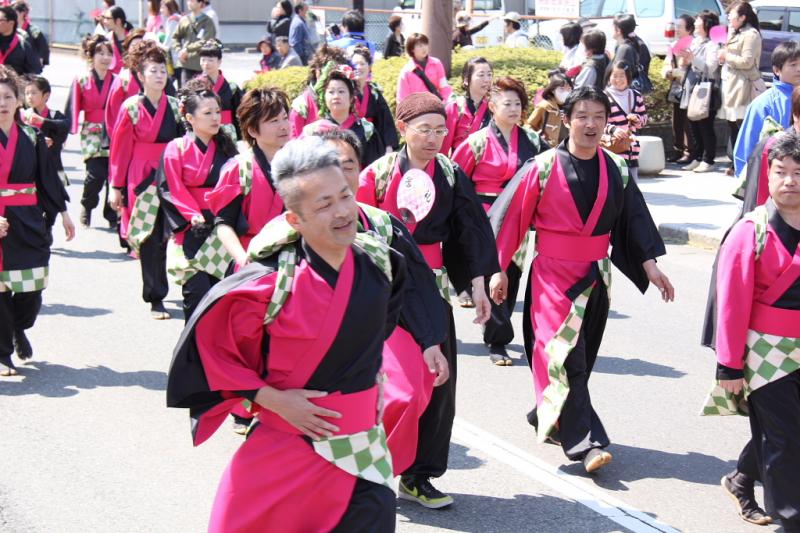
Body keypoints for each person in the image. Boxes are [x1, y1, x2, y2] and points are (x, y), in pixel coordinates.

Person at [167, 136, 404, 531]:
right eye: (324, 205)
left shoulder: (381, 260)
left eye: (345, 195)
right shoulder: (268, 287)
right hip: (288, 446)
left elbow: (381, 325)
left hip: (362, 450)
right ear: (295, 220)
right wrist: (272, 399)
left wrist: (374, 376)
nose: (343, 211)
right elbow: (212, 355)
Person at [489, 86, 673, 472]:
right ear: (567, 120)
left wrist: (650, 266)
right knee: (565, 354)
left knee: (581, 360)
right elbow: (509, 221)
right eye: (582, 116)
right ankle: (585, 443)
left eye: (598, 117)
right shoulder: (541, 168)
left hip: (596, 277)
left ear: (607, 123)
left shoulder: (616, 168)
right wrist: (497, 268)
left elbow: (633, 222)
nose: (590, 124)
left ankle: (549, 413)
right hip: (552, 279)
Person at [358, 92, 498, 508]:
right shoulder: (378, 174)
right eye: (425, 130)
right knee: (390, 385)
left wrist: (476, 283)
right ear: (403, 129)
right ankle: (367, 464)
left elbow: (469, 231)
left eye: (441, 130)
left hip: (433, 289)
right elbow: (358, 233)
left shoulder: (451, 175)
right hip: (385, 289)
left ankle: (419, 476)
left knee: (438, 385)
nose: (435, 138)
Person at [312, 125, 449, 484]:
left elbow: (417, 289)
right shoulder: (300, 224)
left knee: (407, 393)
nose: (341, 175)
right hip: (314, 334)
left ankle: (377, 469)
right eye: (330, 165)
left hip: (379, 329)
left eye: (349, 165)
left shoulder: (382, 225)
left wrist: (430, 341)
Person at [705, 130, 800, 532]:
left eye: (798, 172)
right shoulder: (750, 230)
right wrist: (728, 364)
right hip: (766, 351)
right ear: (767, 172)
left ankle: (742, 478)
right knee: (784, 440)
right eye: (781, 171)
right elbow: (731, 304)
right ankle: (789, 519)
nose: (790, 181)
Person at [452, 76, 546, 365]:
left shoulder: (532, 140)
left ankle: (498, 332)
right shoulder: (476, 143)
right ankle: (497, 340)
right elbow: (456, 181)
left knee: (512, 275)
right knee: (492, 274)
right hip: (485, 220)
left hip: (517, 219)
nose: (514, 109)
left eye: (518, 103)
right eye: (507, 103)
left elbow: (546, 176)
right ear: (492, 106)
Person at [0, 65, 74, 376]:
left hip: (28, 222)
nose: (2, 102)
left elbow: (47, 180)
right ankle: (3, 353)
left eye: (8, 96)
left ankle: (19, 327)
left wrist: (65, 213)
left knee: (31, 290)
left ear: (19, 101)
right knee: (1, 291)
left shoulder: (32, 136)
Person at [108, 45, 184, 319]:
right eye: (153, 71)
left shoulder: (175, 106)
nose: (160, 75)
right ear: (140, 75)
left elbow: (182, 144)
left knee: (172, 234)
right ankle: (155, 297)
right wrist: (116, 186)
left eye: (163, 70)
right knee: (150, 237)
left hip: (170, 174)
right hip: (141, 177)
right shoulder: (131, 107)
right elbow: (120, 149)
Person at [157, 78, 239, 321]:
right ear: (190, 118)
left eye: (217, 111)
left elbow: (236, 184)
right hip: (191, 226)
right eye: (207, 113)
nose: (216, 118)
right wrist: (193, 215)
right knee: (196, 294)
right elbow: (171, 188)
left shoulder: (226, 147)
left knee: (219, 295)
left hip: (222, 224)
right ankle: (190, 352)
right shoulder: (176, 148)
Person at [66, 34, 118, 229]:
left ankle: (111, 213)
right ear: (91, 56)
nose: (105, 57)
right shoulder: (81, 80)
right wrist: (64, 132)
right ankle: (87, 205)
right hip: (92, 132)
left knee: (113, 175)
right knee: (95, 174)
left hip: (113, 131)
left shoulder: (117, 80)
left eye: (109, 53)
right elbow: (72, 107)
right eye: (100, 53)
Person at [733, 41, 800, 177]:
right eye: (793, 65)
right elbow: (746, 147)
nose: (799, 69)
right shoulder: (763, 103)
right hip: (776, 180)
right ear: (777, 70)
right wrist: (746, 183)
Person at [305, 65, 385, 167]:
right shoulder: (314, 131)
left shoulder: (366, 129)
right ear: (324, 97)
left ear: (351, 97)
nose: (336, 96)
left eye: (341, 91)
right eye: (331, 92)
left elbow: (374, 168)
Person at [719, 1, 763, 176]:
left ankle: (742, 163)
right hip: (731, 83)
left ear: (743, 17)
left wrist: (726, 56)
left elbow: (747, 62)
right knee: (732, 124)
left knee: (740, 124)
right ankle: (735, 162)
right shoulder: (735, 33)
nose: (729, 19)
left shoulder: (751, 35)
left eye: (732, 16)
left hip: (743, 84)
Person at [678, 10, 721, 173]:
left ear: (706, 25)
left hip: (705, 89)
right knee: (693, 124)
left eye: (698, 21)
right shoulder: (695, 42)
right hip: (692, 87)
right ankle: (697, 156)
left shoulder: (712, 45)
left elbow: (710, 68)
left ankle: (708, 159)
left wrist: (693, 59)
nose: (695, 23)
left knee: (705, 125)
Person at [289, 44, 348, 136]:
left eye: (335, 72)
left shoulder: (349, 98)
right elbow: (294, 141)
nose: (329, 76)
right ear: (316, 70)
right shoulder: (302, 105)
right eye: (325, 70)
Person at [603, 60, 648, 181]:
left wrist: (637, 119)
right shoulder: (604, 97)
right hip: (612, 148)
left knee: (632, 186)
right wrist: (613, 130)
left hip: (631, 149)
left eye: (622, 75)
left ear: (628, 77)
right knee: (615, 184)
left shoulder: (636, 95)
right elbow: (599, 122)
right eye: (614, 76)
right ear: (609, 77)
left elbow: (644, 119)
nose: (618, 79)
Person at [350, 45, 399, 154]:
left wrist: (389, 146)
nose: (358, 67)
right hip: (350, 141)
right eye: (355, 64)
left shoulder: (374, 92)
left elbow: (386, 121)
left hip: (372, 143)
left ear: (369, 67)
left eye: (362, 64)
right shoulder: (345, 91)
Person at [22, 76, 69, 188]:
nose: (29, 97)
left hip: (51, 167)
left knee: (56, 203)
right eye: (27, 93)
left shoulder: (55, 116)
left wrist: (43, 121)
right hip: (29, 169)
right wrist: (38, 140)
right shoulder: (22, 116)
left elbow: (65, 127)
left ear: (46, 95)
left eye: (33, 93)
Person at [441, 56, 492, 158]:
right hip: (461, 169)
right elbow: (443, 149)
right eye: (481, 75)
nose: (487, 80)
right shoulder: (454, 108)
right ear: (466, 80)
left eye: (489, 75)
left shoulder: (494, 107)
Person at [663, 14, 695, 164]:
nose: (676, 29)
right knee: (677, 119)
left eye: (680, 27)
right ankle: (678, 149)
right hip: (676, 85)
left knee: (688, 119)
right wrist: (668, 71)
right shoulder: (673, 45)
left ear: (689, 29)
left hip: (690, 85)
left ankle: (690, 151)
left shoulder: (694, 44)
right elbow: (667, 63)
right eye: (676, 26)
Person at [198, 39, 242, 143]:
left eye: (210, 60)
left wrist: (242, 135)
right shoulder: (196, 86)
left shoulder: (232, 87)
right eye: (203, 59)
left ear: (219, 62)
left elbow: (238, 114)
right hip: (204, 131)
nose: (206, 63)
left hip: (227, 131)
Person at [396, 33, 452, 104]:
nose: (424, 48)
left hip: (436, 107)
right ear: (412, 49)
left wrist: (445, 102)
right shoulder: (406, 72)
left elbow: (444, 87)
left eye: (425, 44)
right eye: (420, 46)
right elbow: (402, 99)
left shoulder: (436, 63)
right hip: (417, 111)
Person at [171, 0, 216, 87]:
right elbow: (175, 37)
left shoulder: (207, 21)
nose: (189, 2)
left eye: (192, 1)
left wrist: (187, 49)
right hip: (186, 63)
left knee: (201, 95)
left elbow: (205, 41)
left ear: (200, 3)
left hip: (201, 65)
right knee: (184, 94)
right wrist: (179, 50)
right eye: (188, 1)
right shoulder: (184, 20)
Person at [527, 70, 572, 148]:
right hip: (547, 148)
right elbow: (530, 126)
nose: (565, 92)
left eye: (568, 89)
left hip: (568, 148)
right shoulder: (544, 106)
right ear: (553, 90)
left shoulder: (573, 107)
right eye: (561, 89)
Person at [609, 14, 651, 93]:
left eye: (612, 27)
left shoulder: (624, 49)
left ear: (618, 30)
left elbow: (618, 75)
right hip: (632, 93)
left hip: (623, 94)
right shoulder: (636, 42)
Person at [0, 6, 40, 75]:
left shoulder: (23, 46)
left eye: (0, 20)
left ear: (11, 23)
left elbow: (34, 71)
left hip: (13, 84)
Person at [12, 1, 47, 67]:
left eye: (15, 13)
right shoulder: (11, 28)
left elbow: (43, 46)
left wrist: (41, 59)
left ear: (22, 13)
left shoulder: (33, 29)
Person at [102, 6, 130, 75]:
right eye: (104, 18)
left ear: (118, 21)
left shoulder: (132, 39)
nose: (104, 21)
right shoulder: (107, 39)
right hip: (113, 80)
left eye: (108, 18)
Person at [289, 1, 313, 66]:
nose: (307, 13)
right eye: (306, 10)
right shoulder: (298, 23)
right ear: (300, 10)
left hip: (305, 54)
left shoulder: (302, 21)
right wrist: (302, 56)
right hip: (302, 57)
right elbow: (295, 43)